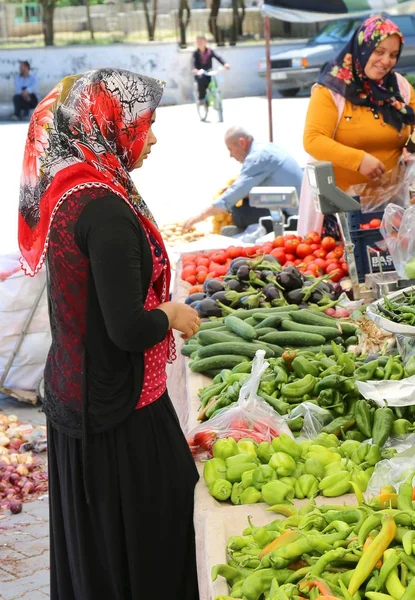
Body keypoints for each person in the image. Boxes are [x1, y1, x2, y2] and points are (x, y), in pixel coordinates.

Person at [18, 68, 200, 600]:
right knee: (152, 533)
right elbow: (126, 329)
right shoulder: (107, 211)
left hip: (81, 401)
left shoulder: (72, 190)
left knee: (98, 553)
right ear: (108, 125)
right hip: (116, 412)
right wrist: (172, 315)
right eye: (145, 123)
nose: (154, 138)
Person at [301, 15, 415, 237]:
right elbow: (313, 139)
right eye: (379, 51)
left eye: (393, 55)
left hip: (391, 207)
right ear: (362, 48)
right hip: (339, 209)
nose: (386, 61)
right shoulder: (331, 89)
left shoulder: (398, 87)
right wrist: (358, 160)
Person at [183, 126, 303, 233]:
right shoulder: (265, 148)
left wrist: (202, 215)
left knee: (238, 212)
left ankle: (253, 228)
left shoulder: (257, 157)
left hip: (292, 214)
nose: (230, 155)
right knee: (245, 204)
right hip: (295, 203)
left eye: (230, 149)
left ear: (242, 143)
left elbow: (234, 193)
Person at [192, 34, 230, 104]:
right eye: (198, 41)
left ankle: (216, 99)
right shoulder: (195, 53)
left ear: (205, 42)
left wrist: (225, 64)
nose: (200, 43)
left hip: (209, 72)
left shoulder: (210, 51)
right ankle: (201, 99)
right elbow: (193, 63)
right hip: (200, 73)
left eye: (201, 41)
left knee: (214, 81)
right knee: (201, 79)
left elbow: (218, 58)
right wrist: (195, 69)